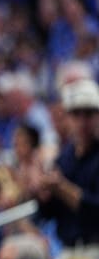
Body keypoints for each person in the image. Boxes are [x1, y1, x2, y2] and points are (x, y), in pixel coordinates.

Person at [35, 78, 99, 248]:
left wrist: (61, 187)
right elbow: (48, 213)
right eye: (76, 114)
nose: (82, 122)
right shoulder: (65, 157)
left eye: (89, 114)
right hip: (68, 245)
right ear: (68, 118)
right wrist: (44, 195)